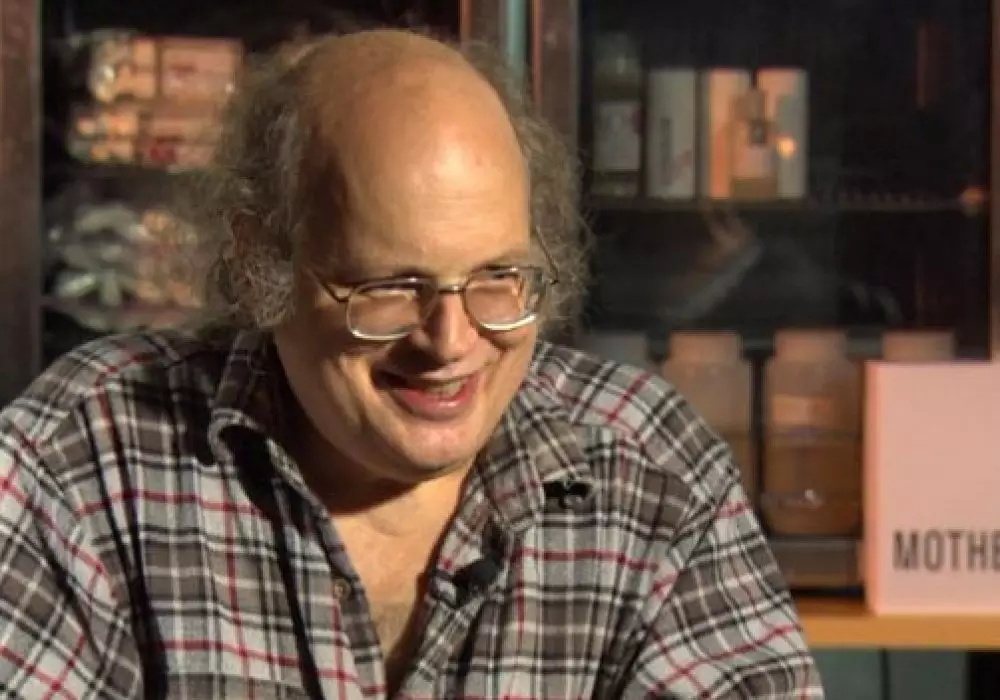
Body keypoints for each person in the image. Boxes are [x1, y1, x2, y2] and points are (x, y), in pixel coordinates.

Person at [0, 28, 823, 699]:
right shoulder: (85, 462)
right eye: (390, 287)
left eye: (499, 277)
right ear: (261, 264)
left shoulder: (651, 473)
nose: (451, 343)